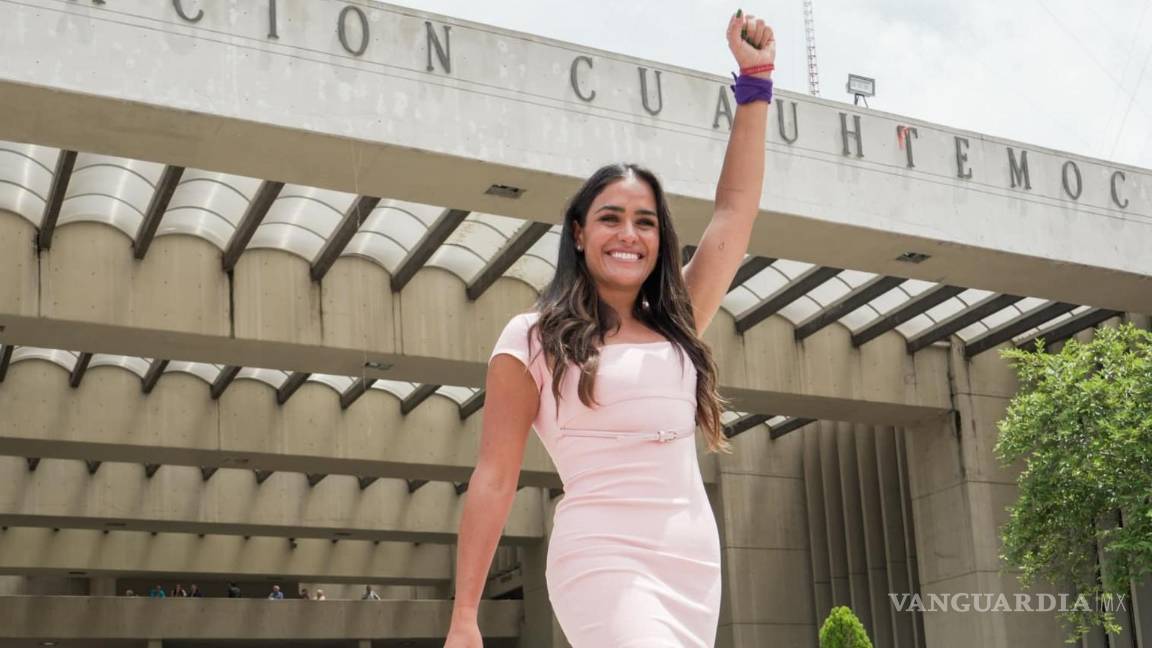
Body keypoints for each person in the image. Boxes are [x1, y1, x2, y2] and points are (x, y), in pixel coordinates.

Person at [444, 11, 775, 648]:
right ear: (579, 232)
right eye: (611, 218)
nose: (629, 234)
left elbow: (736, 209)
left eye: (645, 222)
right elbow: (494, 476)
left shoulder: (679, 321)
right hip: (600, 556)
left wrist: (755, 83)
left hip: (691, 561)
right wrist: (465, 616)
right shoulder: (532, 338)